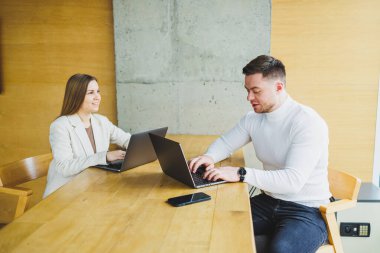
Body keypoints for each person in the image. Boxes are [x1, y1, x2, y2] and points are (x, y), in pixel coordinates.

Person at [189, 55, 331, 253]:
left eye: (256, 91)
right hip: (269, 201)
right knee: (211, 225)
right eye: (247, 91)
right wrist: (209, 156)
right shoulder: (253, 119)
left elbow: (293, 181)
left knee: (280, 250)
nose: (249, 98)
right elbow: (226, 143)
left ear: (279, 87)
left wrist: (240, 173)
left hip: (307, 209)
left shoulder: (307, 122)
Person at [43, 74, 131, 198]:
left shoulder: (102, 121)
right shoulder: (60, 126)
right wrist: (105, 157)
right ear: (76, 96)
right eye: (90, 93)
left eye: (98, 91)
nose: (97, 97)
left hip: (94, 187)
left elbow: (127, 139)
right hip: (66, 192)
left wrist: (146, 145)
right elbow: (64, 167)